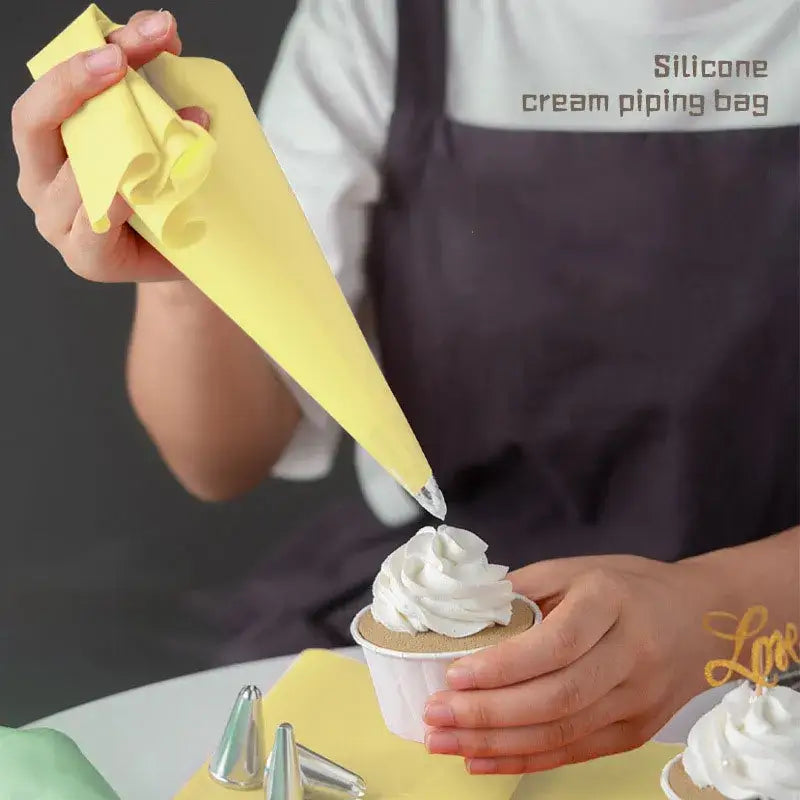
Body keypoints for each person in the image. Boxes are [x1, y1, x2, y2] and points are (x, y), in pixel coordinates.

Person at [12, 1, 798, 776]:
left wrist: (718, 612)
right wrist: (190, 265)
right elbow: (220, 459)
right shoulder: (382, 20)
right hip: (427, 616)